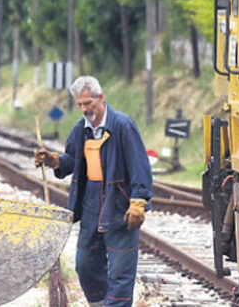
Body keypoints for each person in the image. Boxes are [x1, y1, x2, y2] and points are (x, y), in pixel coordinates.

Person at [34, 75, 153, 307]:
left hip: (119, 207)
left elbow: (140, 166)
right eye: (79, 104)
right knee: (85, 265)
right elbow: (73, 160)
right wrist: (54, 161)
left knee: (120, 271)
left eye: (88, 103)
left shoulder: (123, 126)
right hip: (90, 206)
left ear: (101, 97)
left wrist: (139, 201)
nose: (84, 109)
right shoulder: (81, 129)